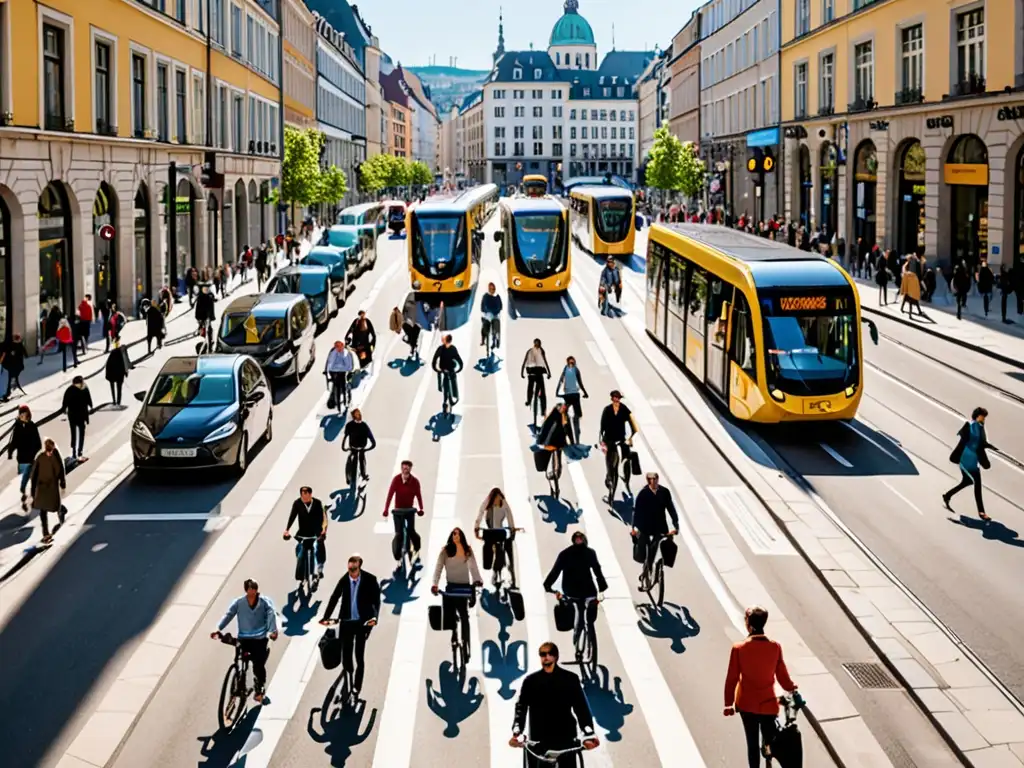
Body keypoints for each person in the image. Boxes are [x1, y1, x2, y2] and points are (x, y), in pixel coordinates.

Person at [724, 605, 799, 768]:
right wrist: (792, 688)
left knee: (752, 744)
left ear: (748, 624)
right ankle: (769, 752)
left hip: (746, 704)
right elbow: (782, 677)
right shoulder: (775, 647)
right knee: (771, 737)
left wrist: (728, 704)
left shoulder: (739, 649)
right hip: (768, 704)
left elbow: (732, 679)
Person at [510, 641, 599, 765]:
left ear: (556, 656)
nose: (546, 657)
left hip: (565, 739)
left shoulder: (570, 679)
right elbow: (521, 707)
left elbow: (581, 707)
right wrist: (517, 730)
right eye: (542, 654)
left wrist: (588, 732)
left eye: (550, 653)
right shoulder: (530, 681)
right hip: (539, 740)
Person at [320, 553, 380, 694]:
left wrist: (374, 618)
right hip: (346, 623)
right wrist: (326, 617)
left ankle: (357, 686)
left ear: (359, 565)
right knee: (346, 655)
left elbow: (376, 602)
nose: (351, 571)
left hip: (362, 623)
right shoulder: (344, 580)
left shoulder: (370, 580)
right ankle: (349, 674)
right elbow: (334, 597)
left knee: (359, 655)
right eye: (349, 566)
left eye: (354, 567)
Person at [211, 579, 279, 701]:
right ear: (246, 590)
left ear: (257, 590)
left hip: (259, 639)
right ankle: (239, 679)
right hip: (244, 638)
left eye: (254, 589)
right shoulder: (239, 602)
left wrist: (273, 631)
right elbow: (229, 614)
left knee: (258, 665)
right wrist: (218, 628)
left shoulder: (264, 602)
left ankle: (260, 686)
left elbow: (271, 614)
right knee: (239, 659)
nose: (252, 592)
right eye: (249, 589)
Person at [543, 531, 607, 633]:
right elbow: (597, 570)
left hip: (570, 589)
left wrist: (547, 585)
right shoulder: (590, 553)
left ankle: (577, 628)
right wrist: (602, 586)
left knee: (569, 604)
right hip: (588, 589)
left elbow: (555, 571)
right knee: (592, 603)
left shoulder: (565, 554)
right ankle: (590, 622)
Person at [431, 527, 483, 649]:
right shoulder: (445, 551)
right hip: (451, 587)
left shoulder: (467, 550)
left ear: (462, 536)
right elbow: (438, 568)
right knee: (450, 615)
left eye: (458, 533)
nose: (456, 535)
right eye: (453, 533)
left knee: (464, 616)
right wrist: (435, 584)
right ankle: (454, 634)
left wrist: (477, 580)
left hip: (464, 588)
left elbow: (473, 567)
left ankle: (467, 644)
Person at [943, 406, 993, 521]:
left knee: (968, 481)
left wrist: (988, 445)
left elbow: (981, 442)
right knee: (977, 484)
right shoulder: (970, 426)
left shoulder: (980, 428)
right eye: (982, 416)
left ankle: (947, 495)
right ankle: (981, 512)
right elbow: (966, 441)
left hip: (974, 459)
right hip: (965, 459)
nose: (984, 419)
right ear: (977, 416)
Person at [631, 473, 679, 582]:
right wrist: (634, 527)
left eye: (655, 478)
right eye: (651, 479)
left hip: (660, 525)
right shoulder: (643, 493)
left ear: (658, 479)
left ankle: (654, 566)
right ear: (648, 480)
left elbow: (671, 508)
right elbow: (637, 511)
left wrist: (675, 524)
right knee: (642, 548)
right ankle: (647, 567)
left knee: (662, 545)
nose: (653, 481)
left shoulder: (664, 492)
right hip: (645, 525)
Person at [475, 487, 518, 587]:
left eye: (499, 499)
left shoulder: (503, 503)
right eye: (496, 499)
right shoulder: (488, 503)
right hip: (491, 532)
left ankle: (508, 576)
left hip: (501, 532)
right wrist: (476, 526)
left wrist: (512, 528)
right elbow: (481, 512)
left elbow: (509, 514)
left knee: (505, 553)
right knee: (494, 553)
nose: (497, 501)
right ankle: (495, 572)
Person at [283, 485, 328, 580]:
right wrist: (287, 530)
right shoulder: (297, 503)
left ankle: (319, 569)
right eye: (302, 495)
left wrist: (323, 531)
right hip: (302, 532)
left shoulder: (317, 503)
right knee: (299, 549)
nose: (303, 498)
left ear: (310, 494)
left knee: (318, 548)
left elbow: (324, 518)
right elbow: (292, 516)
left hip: (316, 532)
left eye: (305, 495)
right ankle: (301, 567)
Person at [598, 390, 640, 492]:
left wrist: (630, 438)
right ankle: (609, 475)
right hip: (609, 440)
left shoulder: (624, 409)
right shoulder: (607, 409)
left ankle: (627, 476)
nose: (617, 400)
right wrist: (601, 440)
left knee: (629, 456)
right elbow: (602, 426)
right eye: (615, 397)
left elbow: (633, 424)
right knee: (609, 461)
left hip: (621, 439)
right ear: (612, 398)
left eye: (618, 398)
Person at [383, 460, 424, 558]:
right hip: (398, 511)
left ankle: (417, 549)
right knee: (399, 534)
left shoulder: (415, 482)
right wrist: (386, 509)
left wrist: (421, 509)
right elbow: (390, 494)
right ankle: (397, 554)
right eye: (403, 467)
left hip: (410, 510)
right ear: (401, 468)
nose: (405, 469)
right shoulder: (396, 480)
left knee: (411, 531)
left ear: (410, 468)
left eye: (407, 467)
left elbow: (419, 496)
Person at [29, 437, 66, 543]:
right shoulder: (40, 458)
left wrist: (62, 482)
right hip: (42, 488)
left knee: (54, 506)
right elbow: (34, 474)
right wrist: (33, 490)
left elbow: (60, 470)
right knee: (43, 510)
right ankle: (45, 532)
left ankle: (61, 514)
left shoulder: (55, 456)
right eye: (49, 451)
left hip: (52, 487)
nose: (50, 453)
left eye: (52, 450)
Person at [6, 405, 42, 512]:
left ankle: (33, 499)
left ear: (28, 414)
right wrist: (10, 452)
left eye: (24, 414)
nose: (22, 416)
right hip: (21, 460)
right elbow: (13, 442)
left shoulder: (32, 426)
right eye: (21, 414)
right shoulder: (17, 428)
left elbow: (38, 444)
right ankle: (24, 499)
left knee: (31, 481)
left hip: (30, 460)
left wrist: (33, 454)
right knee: (23, 483)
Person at [555, 356, 589, 445]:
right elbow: (579, 382)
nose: (571, 364)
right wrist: (585, 393)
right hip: (571, 395)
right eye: (571, 362)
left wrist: (557, 391)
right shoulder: (574, 370)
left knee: (571, 416)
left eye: (572, 363)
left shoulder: (567, 369)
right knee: (572, 415)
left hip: (571, 395)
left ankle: (573, 436)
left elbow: (561, 381)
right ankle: (572, 435)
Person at [62, 375, 93, 461]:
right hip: (73, 415)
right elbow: (65, 401)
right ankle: (74, 451)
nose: (78, 386)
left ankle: (80, 451)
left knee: (81, 433)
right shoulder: (70, 390)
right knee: (74, 433)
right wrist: (64, 408)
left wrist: (91, 405)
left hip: (82, 415)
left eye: (79, 384)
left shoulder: (84, 388)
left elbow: (88, 398)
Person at [537, 402, 570, 481]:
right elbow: (566, 429)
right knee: (557, 457)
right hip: (557, 442)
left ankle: (556, 473)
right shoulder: (562, 416)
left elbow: (545, 426)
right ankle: (556, 473)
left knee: (555, 456)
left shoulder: (555, 415)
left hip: (553, 442)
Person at [342, 408, 376, 482]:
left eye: (359, 413)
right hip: (353, 448)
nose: (359, 415)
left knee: (362, 461)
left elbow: (371, 437)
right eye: (357, 413)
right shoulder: (349, 425)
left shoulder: (364, 426)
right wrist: (345, 447)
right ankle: (348, 477)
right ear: (353, 416)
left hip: (361, 449)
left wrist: (369, 447)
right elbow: (345, 436)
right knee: (349, 462)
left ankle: (363, 475)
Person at [432, 334, 464, 404]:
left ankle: (450, 397)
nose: (441, 339)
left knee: (449, 379)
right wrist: (459, 368)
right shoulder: (452, 349)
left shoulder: (441, 349)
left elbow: (434, 360)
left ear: (446, 340)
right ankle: (452, 396)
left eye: (443, 338)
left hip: (446, 369)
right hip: (446, 369)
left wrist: (436, 369)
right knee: (451, 379)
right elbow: (459, 360)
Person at [521, 338, 551, 412]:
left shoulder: (532, 351)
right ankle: (539, 406)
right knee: (535, 388)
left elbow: (524, 362)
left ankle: (529, 401)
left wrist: (522, 372)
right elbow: (545, 361)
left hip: (534, 372)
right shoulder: (534, 351)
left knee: (531, 387)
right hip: (535, 372)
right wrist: (548, 372)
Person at [324, 340, 355, 409]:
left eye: (339, 346)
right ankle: (333, 400)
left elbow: (349, 366)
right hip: (335, 373)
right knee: (335, 386)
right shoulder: (333, 352)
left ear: (342, 345)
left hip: (344, 372)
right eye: (336, 347)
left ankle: (347, 400)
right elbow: (329, 363)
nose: (337, 348)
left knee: (346, 386)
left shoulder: (346, 353)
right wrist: (328, 371)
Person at [1, 332, 28, 400]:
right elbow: (26, 355)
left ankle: (8, 391)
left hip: (13, 366)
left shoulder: (11, 345)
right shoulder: (20, 345)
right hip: (19, 366)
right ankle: (10, 389)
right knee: (11, 376)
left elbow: (6, 354)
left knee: (10, 376)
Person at [104, 340, 130, 407]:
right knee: (119, 389)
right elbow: (125, 363)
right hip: (119, 374)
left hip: (112, 374)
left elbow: (108, 364)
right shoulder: (122, 353)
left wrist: (107, 375)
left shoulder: (113, 353)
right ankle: (118, 402)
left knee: (113, 388)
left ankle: (114, 401)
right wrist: (125, 372)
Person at [480, 282, 503, 347]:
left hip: (495, 315)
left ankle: (496, 340)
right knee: (485, 327)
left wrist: (498, 311)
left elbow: (500, 306)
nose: (492, 290)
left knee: (496, 327)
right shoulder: (485, 296)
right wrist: (484, 313)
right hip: (487, 315)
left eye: (493, 289)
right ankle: (483, 340)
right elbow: (482, 306)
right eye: (491, 289)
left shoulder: (497, 297)